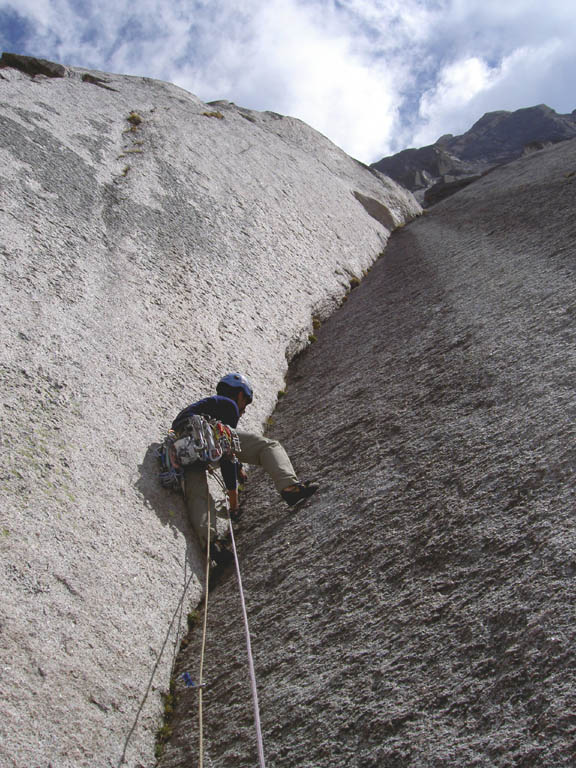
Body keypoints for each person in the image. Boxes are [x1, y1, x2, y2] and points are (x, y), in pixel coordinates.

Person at [171, 373, 318, 563]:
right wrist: (234, 500)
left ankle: (211, 542)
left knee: (197, 493)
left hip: (182, 446)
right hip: (206, 433)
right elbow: (226, 454)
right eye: (246, 402)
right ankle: (289, 486)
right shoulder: (227, 404)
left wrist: (237, 466)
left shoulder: (197, 410)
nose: (244, 410)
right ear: (239, 394)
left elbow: (223, 453)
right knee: (269, 446)